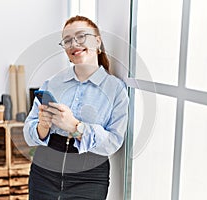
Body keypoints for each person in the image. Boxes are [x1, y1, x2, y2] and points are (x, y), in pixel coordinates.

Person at [23, 15, 129, 200]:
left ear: (97, 41)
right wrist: (42, 127)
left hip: (90, 177)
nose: (74, 44)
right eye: (67, 40)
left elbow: (114, 142)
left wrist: (75, 127)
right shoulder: (52, 83)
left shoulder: (115, 89)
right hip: (44, 172)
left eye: (81, 36)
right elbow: (28, 132)